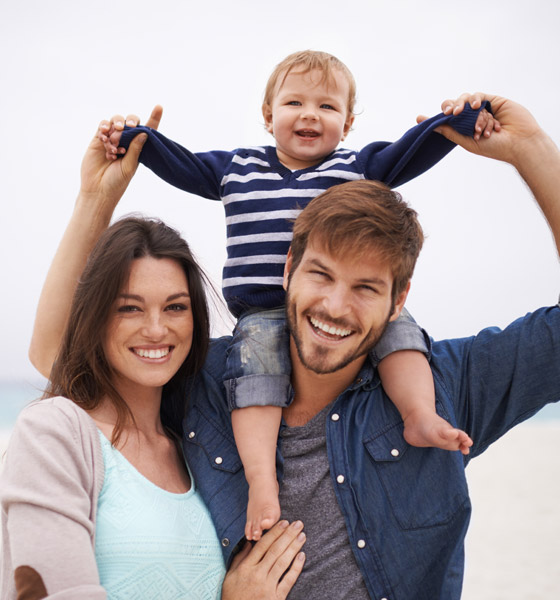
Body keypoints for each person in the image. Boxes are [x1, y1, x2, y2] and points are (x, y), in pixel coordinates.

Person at [30, 92, 560, 599]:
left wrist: (530, 148)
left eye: (365, 288)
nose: (334, 306)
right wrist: (96, 198)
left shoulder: (447, 385)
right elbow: (58, 355)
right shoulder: (210, 385)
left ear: (400, 300)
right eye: (321, 275)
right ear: (288, 270)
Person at [100, 50, 495, 539]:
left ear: (347, 124)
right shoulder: (235, 168)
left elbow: (414, 148)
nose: (310, 114)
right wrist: (138, 139)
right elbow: (181, 164)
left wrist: (459, 119)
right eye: (294, 102)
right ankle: (262, 480)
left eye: (327, 108)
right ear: (269, 116)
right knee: (255, 377)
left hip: (345, 307)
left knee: (401, 332)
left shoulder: (358, 166)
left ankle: (419, 416)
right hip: (263, 311)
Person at [0, 124, 307, 600]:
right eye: (129, 307)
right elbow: (50, 349)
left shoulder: (196, 438)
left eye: (176, 307)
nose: (157, 330)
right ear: (97, 317)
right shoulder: (56, 432)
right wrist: (94, 200)